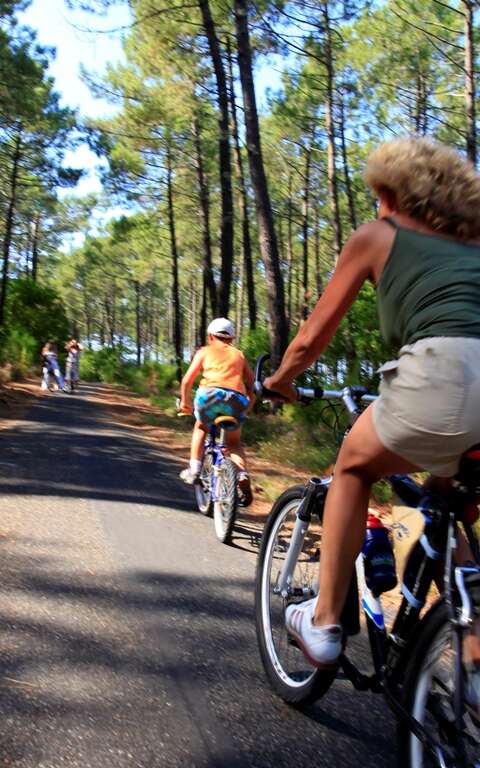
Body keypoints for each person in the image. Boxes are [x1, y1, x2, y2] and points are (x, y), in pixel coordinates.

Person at [264, 137, 480, 687]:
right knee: (446, 494)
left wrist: (281, 380)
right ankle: (472, 665)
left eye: (377, 198)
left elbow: (311, 339)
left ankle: (325, 620)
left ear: (390, 193)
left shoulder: (378, 235)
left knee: (353, 468)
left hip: (441, 374)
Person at [178, 317, 255, 506]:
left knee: (201, 427)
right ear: (231, 339)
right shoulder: (240, 355)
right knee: (234, 443)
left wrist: (185, 403)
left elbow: (187, 381)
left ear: (210, 336)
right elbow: (253, 386)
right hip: (236, 399)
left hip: (209, 396)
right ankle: (242, 474)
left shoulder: (205, 351)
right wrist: (248, 408)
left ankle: (195, 469)